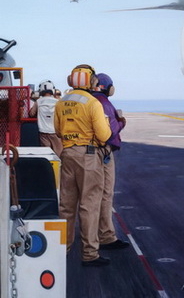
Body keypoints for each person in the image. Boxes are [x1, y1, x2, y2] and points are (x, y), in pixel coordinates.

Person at [54, 64, 112, 267]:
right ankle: (89, 254)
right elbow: (104, 136)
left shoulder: (61, 102)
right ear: (91, 81)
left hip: (67, 154)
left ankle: (63, 248)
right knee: (89, 205)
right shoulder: (92, 102)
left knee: (66, 206)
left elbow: (58, 131)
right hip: (88, 156)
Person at [92, 73, 129, 250]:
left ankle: (86, 237)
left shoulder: (87, 101)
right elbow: (110, 131)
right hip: (103, 151)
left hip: (84, 152)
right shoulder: (104, 103)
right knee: (105, 194)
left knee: (87, 196)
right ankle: (105, 236)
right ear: (108, 88)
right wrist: (121, 121)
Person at [29, 80, 63, 157]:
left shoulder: (38, 101)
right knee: (58, 155)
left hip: (43, 132)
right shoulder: (58, 102)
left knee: (46, 155)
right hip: (55, 132)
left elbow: (31, 114)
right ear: (52, 90)